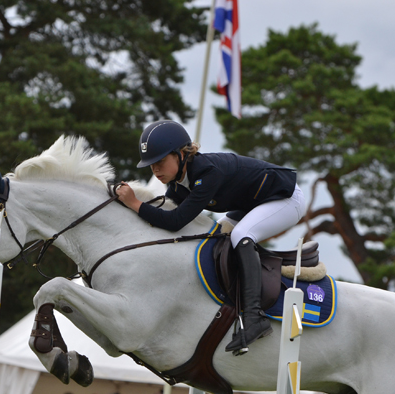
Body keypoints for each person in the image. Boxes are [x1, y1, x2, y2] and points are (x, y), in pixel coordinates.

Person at [117, 120, 304, 353]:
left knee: (241, 236)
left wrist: (134, 203)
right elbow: (163, 219)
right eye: (151, 164)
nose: (155, 170)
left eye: (160, 161)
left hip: (285, 198)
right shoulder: (177, 186)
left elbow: (175, 222)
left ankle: (255, 319)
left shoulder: (207, 172)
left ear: (181, 154)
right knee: (215, 237)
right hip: (251, 203)